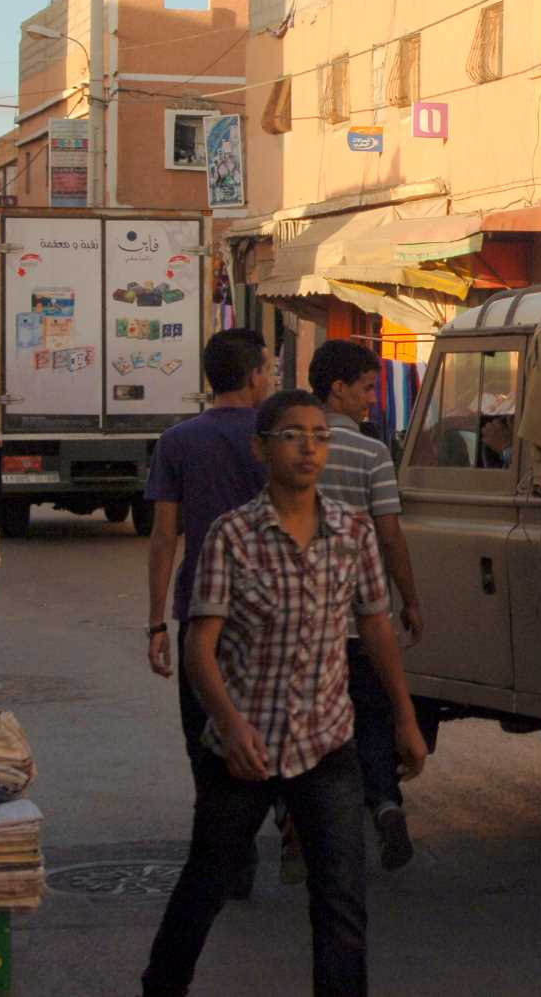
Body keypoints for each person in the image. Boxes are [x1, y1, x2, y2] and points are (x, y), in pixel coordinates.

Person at [141, 390, 428, 997]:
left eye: (320, 436)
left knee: (342, 903)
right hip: (243, 751)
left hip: (326, 747)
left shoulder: (351, 533)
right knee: (206, 885)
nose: (309, 447)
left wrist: (404, 718)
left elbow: (375, 625)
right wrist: (230, 722)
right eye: (293, 435)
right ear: (261, 449)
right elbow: (200, 646)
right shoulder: (231, 536)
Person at [143, 329, 273, 891]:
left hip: (201, 610)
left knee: (206, 731)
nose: (270, 378)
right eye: (267, 369)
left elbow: (164, 535)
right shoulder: (278, 438)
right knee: (270, 722)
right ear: (253, 377)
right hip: (272, 610)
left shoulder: (177, 441)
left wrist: (155, 622)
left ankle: (225, 857)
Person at [309, 339, 425, 872]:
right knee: (373, 718)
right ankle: (385, 804)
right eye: (366, 387)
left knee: (311, 723)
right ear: (338, 388)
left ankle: (309, 828)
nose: (372, 399)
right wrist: (410, 598)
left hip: (305, 622)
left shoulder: (293, 449)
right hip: (362, 618)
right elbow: (391, 533)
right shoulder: (372, 454)